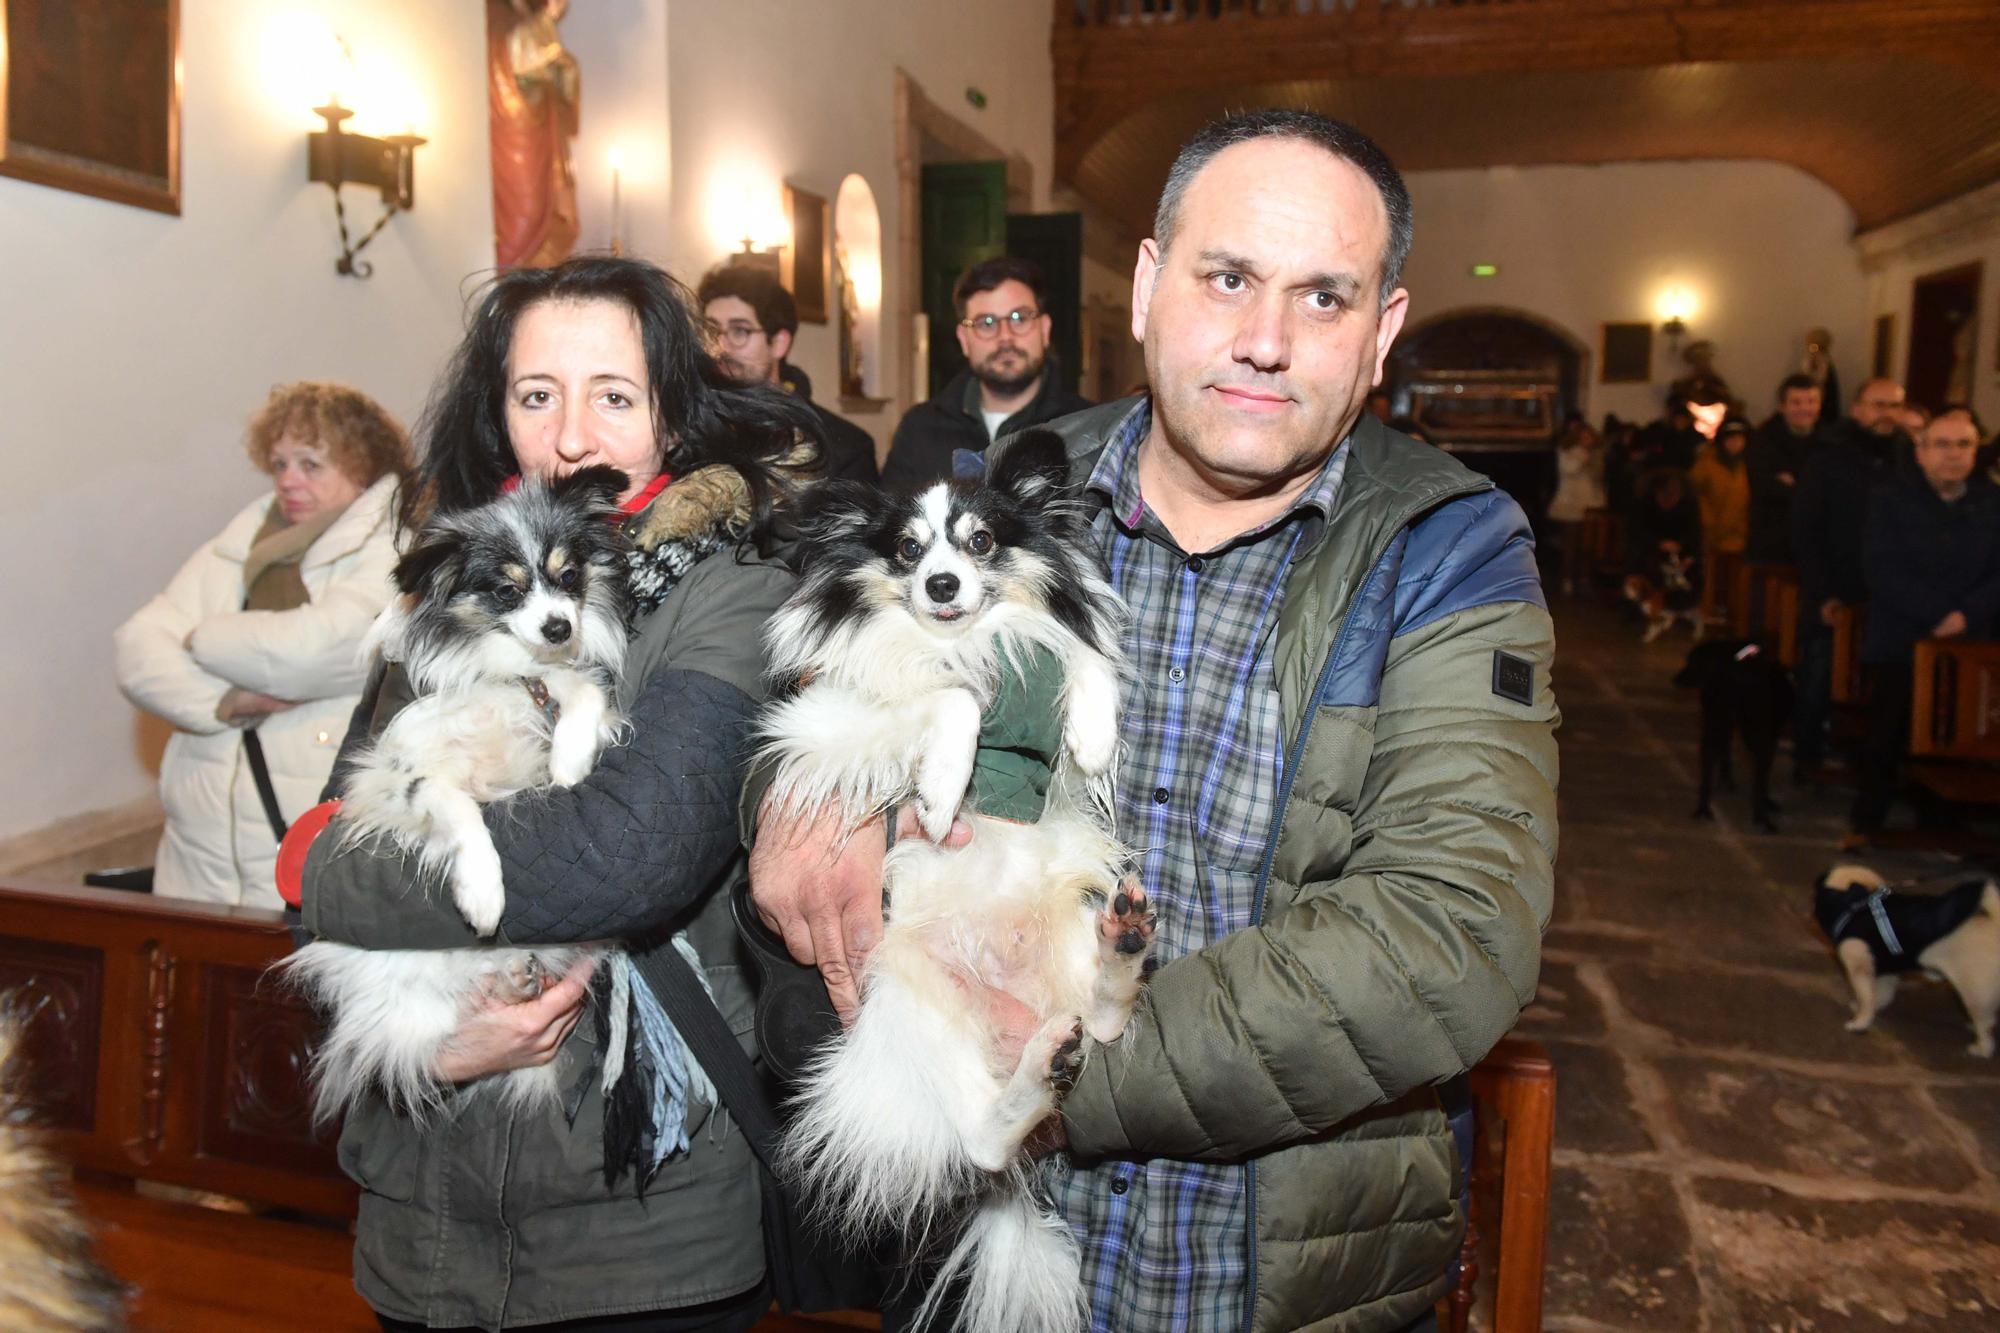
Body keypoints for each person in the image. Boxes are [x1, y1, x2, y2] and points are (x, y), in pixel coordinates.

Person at [749, 109, 1557, 1333]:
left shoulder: (1446, 546)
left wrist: (1067, 1065)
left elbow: (1452, 932)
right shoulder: (1015, 496)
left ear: (1382, 330)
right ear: (1142, 285)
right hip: (969, 1247)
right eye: (1226, 277)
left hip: (1265, 1266)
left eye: (1324, 299)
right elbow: (829, 671)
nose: (1265, 340)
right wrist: (795, 807)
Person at [284, 257, 820, 1331]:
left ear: (671, 416)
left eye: (612, 396)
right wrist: (425, 1044)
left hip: (637, 1225)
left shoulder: (736, 589)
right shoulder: (462, 581)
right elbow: (318, 847)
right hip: (422, 1212)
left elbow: (626, 852)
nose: (571, 436)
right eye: (537, 395)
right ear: (498, 412)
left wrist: (334, 869)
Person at [113, 383, 408, 908]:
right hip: (195, 863)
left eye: (311, 464)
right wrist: (223, 702)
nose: (288, 481)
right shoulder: (244, 542)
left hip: (302, 858)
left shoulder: (395, 547)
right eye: (279, 464)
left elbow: (310, 651)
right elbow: (136, 649)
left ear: (362, 465)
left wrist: (199, 637)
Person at [1848, 408, 2000, 844]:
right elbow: (1881, 567)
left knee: (1959, 735)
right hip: (1902, 635)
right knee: (1888, 732)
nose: (1953, 455)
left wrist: (1967, 614)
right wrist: (1936, 613)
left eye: (1963, 445)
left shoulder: (1991, 501)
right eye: (1943, 444)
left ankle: (1943, 821)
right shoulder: (1891, 498)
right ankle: (1870, 820)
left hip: (1971, 640)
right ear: (1920, 452)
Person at [879, 256, 1091, 491]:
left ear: (1045, 329)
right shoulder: (919, 430)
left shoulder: (1088, 425)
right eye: (986, 323)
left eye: (1019, 318)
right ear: (964, 339)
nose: (1005, 337)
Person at [1792, 376, 1908, 779]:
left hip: (1889, 596)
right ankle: (1807, 755)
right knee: (1820, 676)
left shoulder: (1909, 460)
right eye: (1878, 406)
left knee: (1881, 682)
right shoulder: (1828, 461)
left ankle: (1869, 758)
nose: (1886, 415)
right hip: (1837, 586)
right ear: (1857, 410)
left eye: (1894, 406)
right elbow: (1806, 532)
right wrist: (1822, 592)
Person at [697, 262, 880, 483]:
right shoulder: (688, 432)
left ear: (779, 343)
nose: (721, 347)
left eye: (739, 331)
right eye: (711, 330)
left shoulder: (844, 449)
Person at [1744, 373, 1822, 565]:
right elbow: (1764, 486)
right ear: (1782, 406)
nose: (1805, 408)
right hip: (1773, 544)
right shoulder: (1762, 441)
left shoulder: (1829, 441)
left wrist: (1795, 483)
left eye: (1811, 401)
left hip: (1815, 544)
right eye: (1796, 402)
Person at [1624, 469, 1704, 642]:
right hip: (1651, 551)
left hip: (1680, 554)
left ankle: (1676, 610)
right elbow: (1636, 531)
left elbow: (1694, 534)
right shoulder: (1644, 505)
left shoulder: (1688, 507)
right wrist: (1657, 544)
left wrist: (1683, 549)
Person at [1688, 417, 1751, 613]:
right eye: (1731, 439)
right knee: (1711, 577)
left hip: (1740, 533)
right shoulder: (1707, 464)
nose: (1735, 444)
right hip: (1712, 532)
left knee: (1736, 580)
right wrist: (1706, 521)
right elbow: (1694, 493)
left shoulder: (1749, 465)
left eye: (1740, 439)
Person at [1546, 415, 1606, 596]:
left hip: (1591, 503)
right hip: (1570, 503)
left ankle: (1584, 579)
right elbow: (1568, 470)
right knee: (1570, 545)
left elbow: (1598, 478)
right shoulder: (1567, 452)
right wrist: (1583, 456)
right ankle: (1567, 580)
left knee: (1587, 546)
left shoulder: (1595, 455)